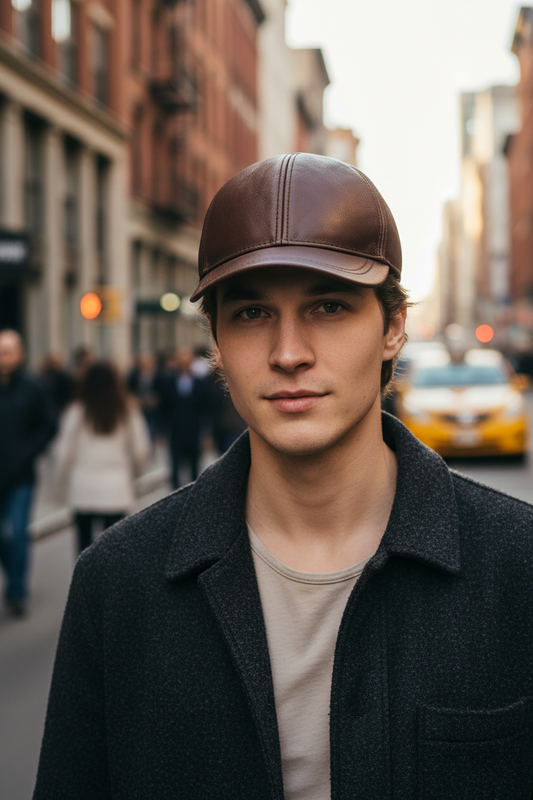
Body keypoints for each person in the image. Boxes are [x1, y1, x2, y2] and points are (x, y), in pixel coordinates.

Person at [34, 154, 533, 799]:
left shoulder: (518, 568)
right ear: (215, 339)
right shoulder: (117, 584)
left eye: (328, 307)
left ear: (394, 327)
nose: (289, 353)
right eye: (251, 314)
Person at [53, 361, 150, 554]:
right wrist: (136, 475)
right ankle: (111, 584)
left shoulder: (77, 410)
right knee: (114, 547)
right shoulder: (127, 409)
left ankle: (84, 583)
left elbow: (63, 451)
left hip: (83, 486)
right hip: (116, 485)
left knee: (84, 545)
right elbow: (140, 448)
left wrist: (60, 484)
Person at [0, 330, 56, 617]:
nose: (3, 357)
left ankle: (17, 591)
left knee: (17, 533)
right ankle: (12, 577)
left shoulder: (32, 389)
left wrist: (28, 452)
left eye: (8, 351)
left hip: (21, 476)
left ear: (20, 354)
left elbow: (48, 426)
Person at [159, 345, 211, 488]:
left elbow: (206, 409)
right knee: (175, 468)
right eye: (181, 357)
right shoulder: (168, 381)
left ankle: (193, 496)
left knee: (195, 468)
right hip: (175, 431)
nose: (184, 360)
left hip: (194, 431)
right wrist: (161, 432)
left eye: (187, 356)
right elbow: (164, 408)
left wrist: (207, 433)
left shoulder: (200, 382)